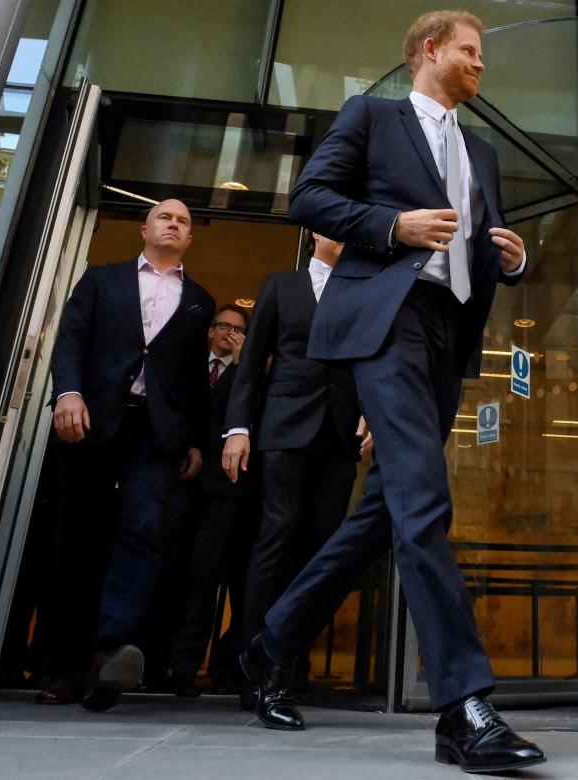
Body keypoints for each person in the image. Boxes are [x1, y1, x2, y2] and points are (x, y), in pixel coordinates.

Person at [237, 10, 545, 773]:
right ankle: (462, 706)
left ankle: (271, 643)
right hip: (387, 320)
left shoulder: (483, 150)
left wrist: (511, 258)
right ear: (430, 51)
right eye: (470, 51)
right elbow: (309, 197)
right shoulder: (372, 118)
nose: (480, 64)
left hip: (448, 331)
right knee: (422, 498)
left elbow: (483, 237)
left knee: (384, 514)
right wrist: (391, 225)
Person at [42, 198, 215, 711]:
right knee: (76, 540)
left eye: (183, 222)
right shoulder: (101, 279)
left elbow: (191, 382)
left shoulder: (200, 300)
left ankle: (110, 655)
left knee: (143, 532)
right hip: (92, 423)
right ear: (145, 229)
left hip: (155, 435)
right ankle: (60, 669)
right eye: (166, 217)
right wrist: (68, 393)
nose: (175, 225)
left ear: (188, 239)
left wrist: (196, 441)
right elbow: (71, 339)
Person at [221, 233, 365, 708]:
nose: (341, 236)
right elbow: (251, 365)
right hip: (283, 428)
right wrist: (237, 427)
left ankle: (289, 662)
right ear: (314, 236)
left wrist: (373, 413)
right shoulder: (282, 286)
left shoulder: (364, 289)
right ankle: (252, 667)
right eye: (332, 227)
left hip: (340, 435)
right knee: (275, 536)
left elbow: (372, 361)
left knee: (321, 546)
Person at [161, 304, 256, 697]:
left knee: (213, 580)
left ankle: (203, 669)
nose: (229, 334)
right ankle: (166, 664)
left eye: (238, 330)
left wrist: (240, 365)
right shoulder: (188, 367)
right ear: (209, 331)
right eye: (223, 326)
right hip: (182, 483)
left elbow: (238, 411)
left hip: (225, 492)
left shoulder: (245, 374)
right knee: (178, 578)